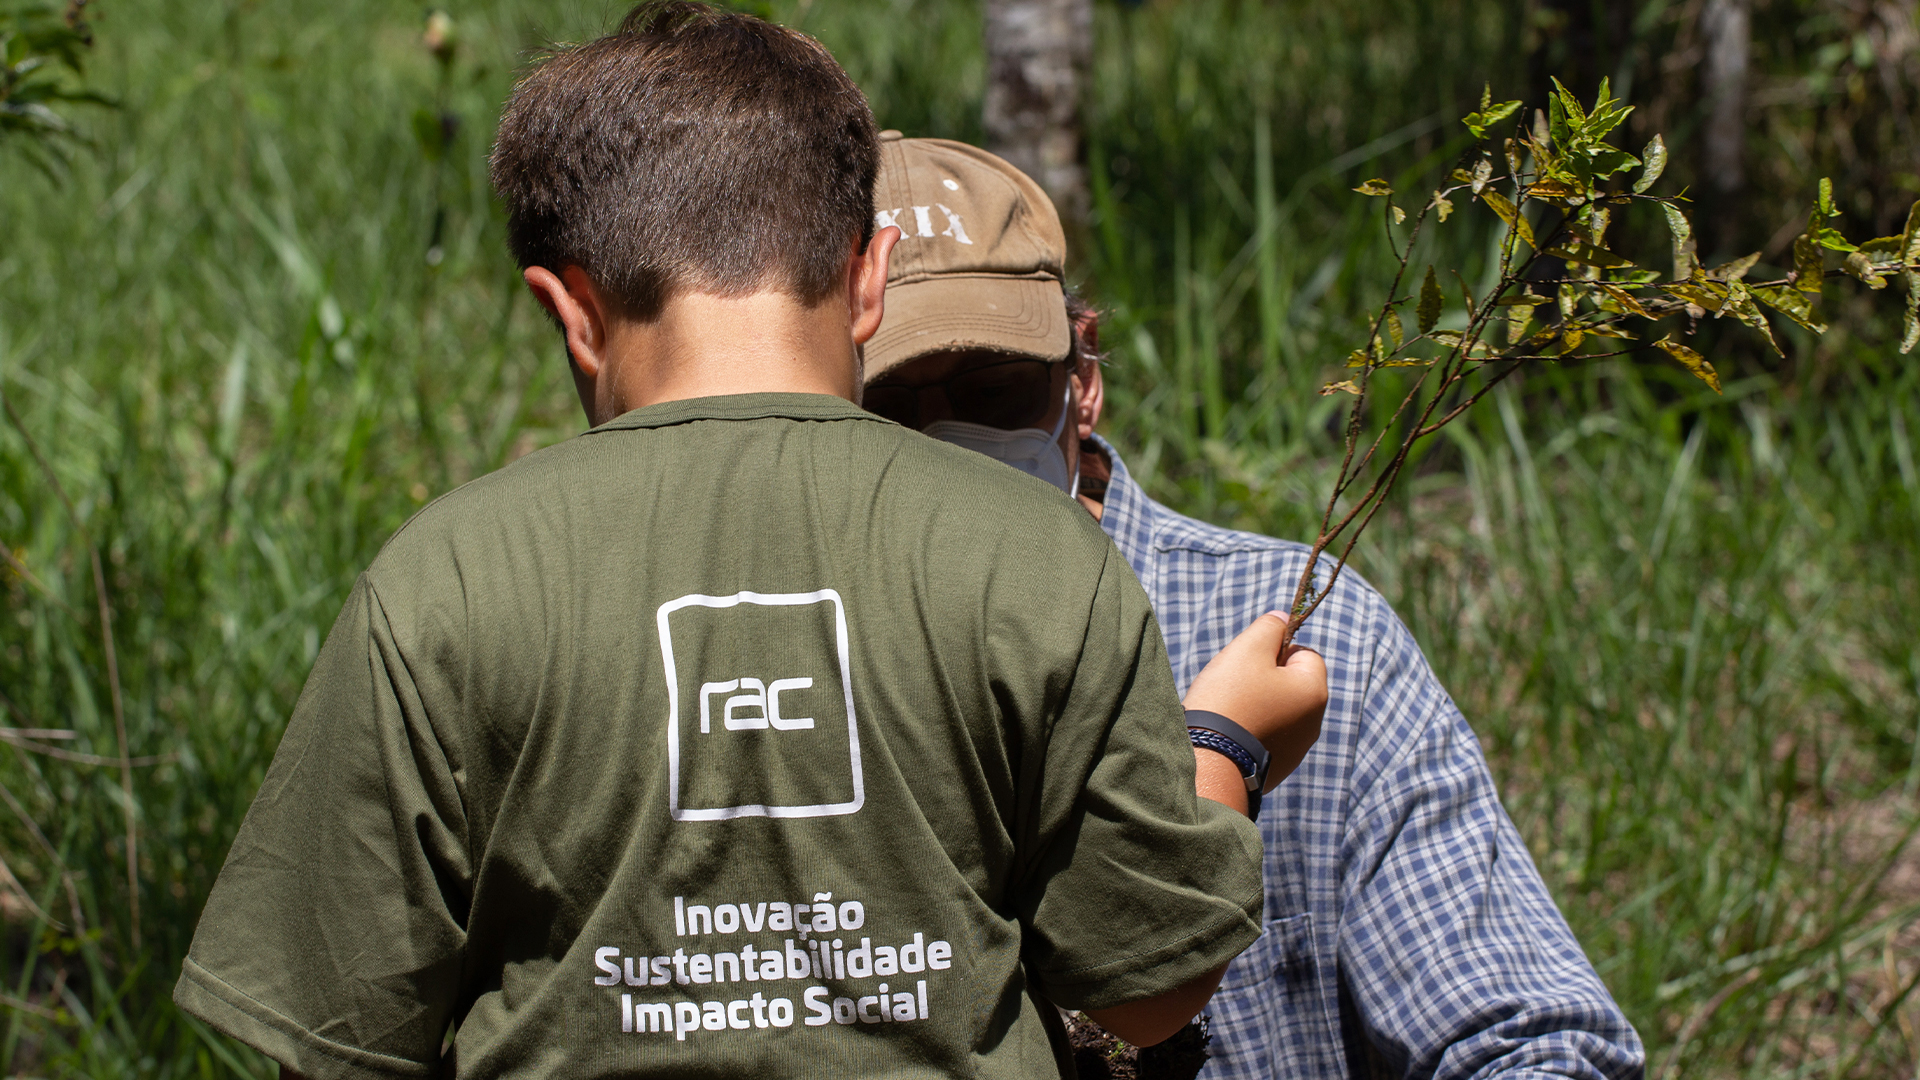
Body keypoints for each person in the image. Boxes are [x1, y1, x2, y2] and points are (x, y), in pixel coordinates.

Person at [172, 7, 1329, 1078]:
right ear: (869, 280)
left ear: (568, 311)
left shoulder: (447, 580)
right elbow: (1150, 990)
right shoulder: (1037, 554)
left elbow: (338, 1035)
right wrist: (1222, 744)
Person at [861, 134, 1648, 1080]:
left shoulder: (1302, 642)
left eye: (995, 389)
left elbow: (1532, 1042)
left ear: (1083, 377)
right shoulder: (782, 670)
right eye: (886, 409)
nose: (946, 441)